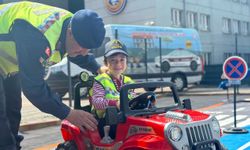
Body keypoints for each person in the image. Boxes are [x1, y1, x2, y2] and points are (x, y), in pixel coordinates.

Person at [0, 1, 106, 150]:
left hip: (5, 64)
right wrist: (68, 113)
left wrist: (99, 68)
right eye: (82, 46)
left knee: (13, 110)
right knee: (1, 120)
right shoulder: (37, 36)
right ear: (70, 32)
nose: (83, 52)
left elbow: (77, 53)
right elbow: (33, 88)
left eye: (88, 49)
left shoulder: (72, 24)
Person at [91, 39, 135, 143]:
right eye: (113, 60)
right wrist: (115, 103)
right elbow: (96, 102)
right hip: (106, 122)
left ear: (126, 61)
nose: (118, 64)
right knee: (112, 112)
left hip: (127, 119)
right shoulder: (101, 80)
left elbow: (133, 99)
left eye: (122, 60)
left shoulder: (129, 81)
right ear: (106, 63)